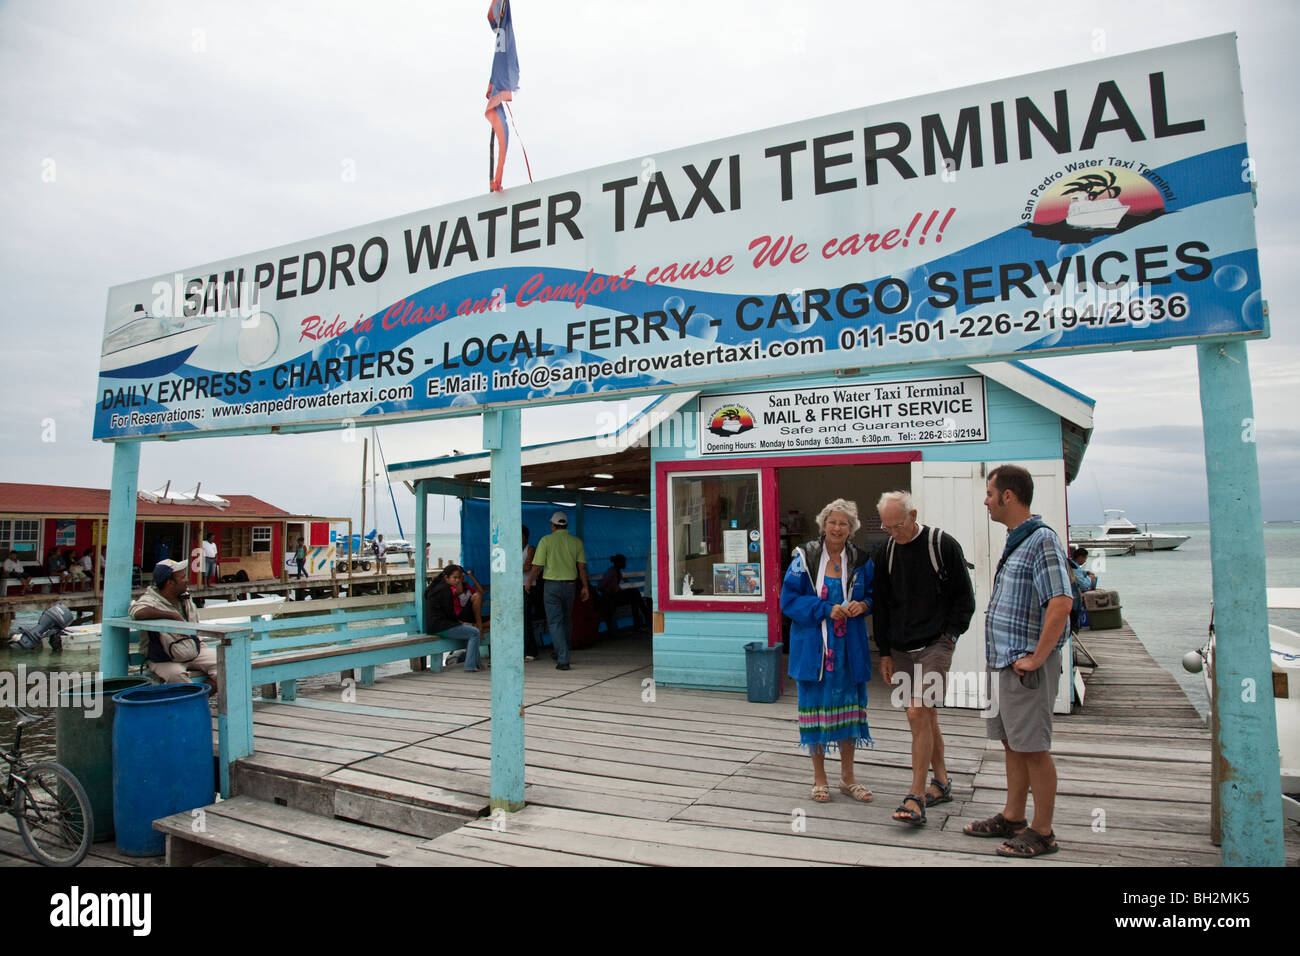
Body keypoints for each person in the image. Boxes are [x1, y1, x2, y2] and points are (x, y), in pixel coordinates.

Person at [963, 464, 1072, 858]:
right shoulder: (1017, 540)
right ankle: (1013, 817)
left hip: (1025, 668)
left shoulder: (1041, 539)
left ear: (1008, 496)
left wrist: (1038, 657)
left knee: (1033, 748)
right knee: (1012, 743)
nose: (987, 501)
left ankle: (1042, 832)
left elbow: (1060, 602)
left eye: (990, 494)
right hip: (1005, 664)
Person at [873, 491, 975, 826]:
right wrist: (885, 652)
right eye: (886, 527)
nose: (893, 533)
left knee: (918, 710)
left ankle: (915, 795)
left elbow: (965, 598)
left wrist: (951, 636)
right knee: (923, 717)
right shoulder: (885, 551)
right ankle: (942, 781)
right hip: (902, 648)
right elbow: (883, 606)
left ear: (913, 515)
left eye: (897, 525)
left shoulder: (942, 545)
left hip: (936, 644)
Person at [780, 498, 874, 804]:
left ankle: (848, 778)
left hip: (849, 649)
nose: (837, 528)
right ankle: (819, 778)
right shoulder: (804, 558)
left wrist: (865, 604)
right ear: (824, 525)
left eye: (843, 523)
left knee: (849, 710)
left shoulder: (861, 560)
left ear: (852, 528)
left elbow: (874, 594)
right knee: (816, 714)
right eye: (832, 522)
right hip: (816, 651)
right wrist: (823, 608)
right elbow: (788, 601)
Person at [129, 559, 221, 695]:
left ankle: (200, 698)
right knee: (177, 677)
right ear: (169, 582)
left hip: (194, 648)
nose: (187, 579)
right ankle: (195, 703)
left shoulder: (184, 595)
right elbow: (138, 612)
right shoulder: (150, 599)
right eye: (183, 576)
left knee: (226, 664)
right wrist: (171, 615)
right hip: (164, 657)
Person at [525, 511, 589, 671]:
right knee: (566, 620)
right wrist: (585, 587)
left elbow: (537, 566)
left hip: (551, 586)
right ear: (566, 525)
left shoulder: (546, 541)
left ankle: (563, 658)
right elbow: (581, 566)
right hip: (570, 585)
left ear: (553, 525)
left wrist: (529, 582)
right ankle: (562, 651)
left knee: (555, 622)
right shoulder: (576, 542)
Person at [423, 564, 485, 672]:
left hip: (435, 626)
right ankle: (470, 666)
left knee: (471, 632)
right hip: (441, 627)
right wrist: (460, 623)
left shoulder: (438, 587)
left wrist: (460, 623)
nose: (457, 581)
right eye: (454, 578)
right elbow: (449, 613)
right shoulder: (445, 589)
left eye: (459, 578)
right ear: (446, 578)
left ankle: (477, 663)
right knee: (474, 632)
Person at [595, 554, 649, 633]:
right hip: (611, 598)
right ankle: (646, 616)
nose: (625, 564)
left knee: (634, 599)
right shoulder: (611, 572)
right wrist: (608, 591)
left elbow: (615, 586)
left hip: (616, 596)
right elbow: (600, 586)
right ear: (618, 563)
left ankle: (639, 624)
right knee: (634, 592)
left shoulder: (617, 572)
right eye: (623, 562)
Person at [1067, 546, 1097, 633]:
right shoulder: (1074, 568)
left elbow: (1080, 573)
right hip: (1076, 594)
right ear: (1080, 557)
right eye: (1085, 558)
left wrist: (1086, 573)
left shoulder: (1074, 565)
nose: (1085, 561)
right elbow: (1084, 585)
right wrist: (1090, 578)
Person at [520, 526, 539, 661]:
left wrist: (511, 567)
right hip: (515, 587)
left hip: (528, 587)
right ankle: (519, 649)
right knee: (517, 619)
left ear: (525, 537)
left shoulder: (530, 549)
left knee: (525, 619)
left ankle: (531, 651)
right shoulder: (513, 549)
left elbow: (528, 567)